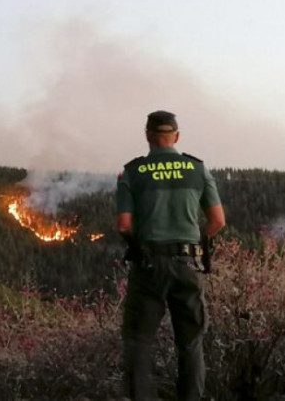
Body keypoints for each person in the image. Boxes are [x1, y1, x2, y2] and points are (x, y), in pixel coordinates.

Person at [116, 110, 225, 401]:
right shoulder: (198, 169)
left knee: (139, 342)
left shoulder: (132, 171)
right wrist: (199, 243)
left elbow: (124, 224)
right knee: (190, 342)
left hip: (148, 266)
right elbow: (217, 221)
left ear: (148, 136)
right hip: (187, 264)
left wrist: (138, 245)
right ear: (176, 137)